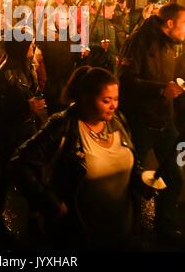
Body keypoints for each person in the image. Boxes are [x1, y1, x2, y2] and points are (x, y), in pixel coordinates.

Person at [11, 66, 155, 251]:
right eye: (106, 100)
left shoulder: (117, 120)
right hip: (82, 234)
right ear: (86, 98)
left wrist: (141, 179)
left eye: (116, 99)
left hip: (123, 229)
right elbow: (19, 163)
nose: (114, 105)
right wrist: (51, 203)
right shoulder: (63, 127)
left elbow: (131, 161)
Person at [119, 3, 185, 246]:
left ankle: (164, 225)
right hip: (140, 122)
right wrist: (160, 90)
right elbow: (125, 79)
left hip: (165, 122)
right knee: (132, 178)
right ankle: (129, 226)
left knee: (174, 177)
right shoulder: (139, 42)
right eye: (184, 24)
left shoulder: (172, 44)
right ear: (170, 24)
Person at [0, 32, 47, 222]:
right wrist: (25, 106)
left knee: (35, 168)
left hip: (27, 127)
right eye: (30, 46)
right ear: (20, 48)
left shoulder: (25, 66)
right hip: (11, 133)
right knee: (8, 170)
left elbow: (32, 89)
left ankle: (35, 208)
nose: (33, 49)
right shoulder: (4, 74)